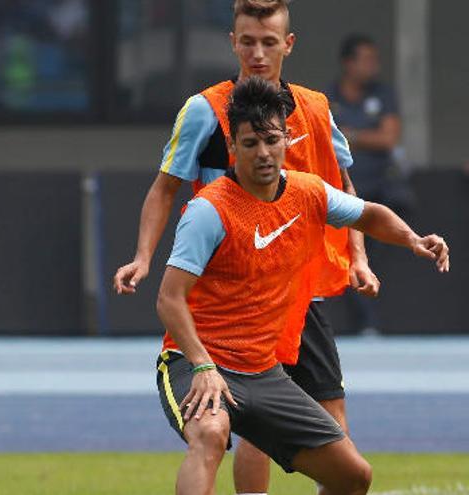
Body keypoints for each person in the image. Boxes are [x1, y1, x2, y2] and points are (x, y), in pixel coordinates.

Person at [112, 1, 378, 491]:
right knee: (248, 425)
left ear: (288, 45)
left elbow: (343, 189)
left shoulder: (316, 108)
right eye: (248, 41)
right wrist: (143, 257)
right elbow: (164, 187)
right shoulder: (205, 109)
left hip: (298, 290)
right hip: (233, 294)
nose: (258, 53)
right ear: (233, 42)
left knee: (334, 420)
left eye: (269, 42)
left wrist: (358, 257)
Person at [155, 76, 449, 495]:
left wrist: (414, 239)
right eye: (250, 143)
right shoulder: (208, 210)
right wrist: (203, 366)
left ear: (286, 141)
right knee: (211, 434)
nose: (263, 153)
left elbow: (369, 214)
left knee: (353, 476)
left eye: (271, 140)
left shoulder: (309, 193)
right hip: (194, 362)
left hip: (262, 372)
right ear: (233, 150)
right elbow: (169, 298)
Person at [328, 34, 412, 335]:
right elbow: (324, 140)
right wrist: (360, 137)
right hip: (341, 196)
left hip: (379, 193)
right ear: (348, 63)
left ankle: (373, 323)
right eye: (365, 59)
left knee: (370, 255)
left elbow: (389, 137)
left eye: (374, 59)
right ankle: (362, 323)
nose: (372, 66)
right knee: (345, 255)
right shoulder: (328, 98)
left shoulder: (383, 95)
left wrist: (349, 136)